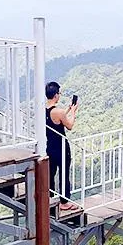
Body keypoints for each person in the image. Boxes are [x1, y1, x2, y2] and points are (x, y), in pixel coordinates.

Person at [45, 81, 79, 212]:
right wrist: (74, 112)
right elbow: (69, 125)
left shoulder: (44, 110)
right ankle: (64, 202)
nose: (59, 95)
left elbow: (56, 120)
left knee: (51, 173)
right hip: (62, 147)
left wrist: (68, 110)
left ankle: (50, 199)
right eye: (59, 93)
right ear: (55, 95)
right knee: (64, 174)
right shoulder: (58, 112)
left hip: (50, 147)